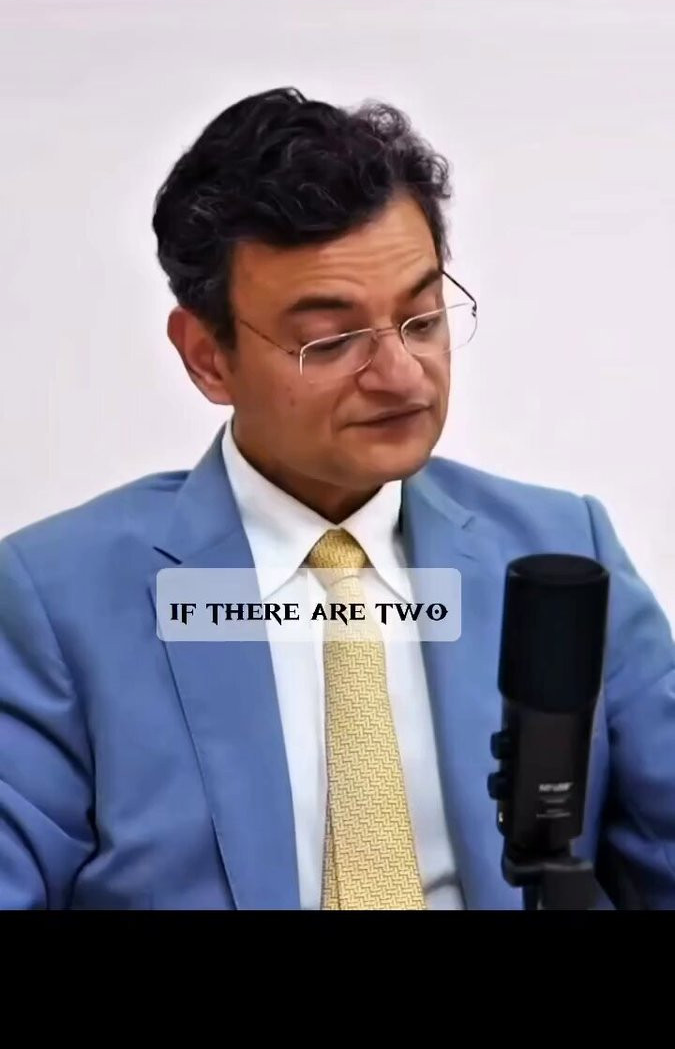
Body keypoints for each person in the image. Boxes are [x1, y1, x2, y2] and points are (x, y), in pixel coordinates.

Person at [1, 86, 673, 911]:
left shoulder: (558, 550)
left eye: (421, 319)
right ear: (207, 357)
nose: (399, 375)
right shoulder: (56, 599)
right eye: (330, 340)